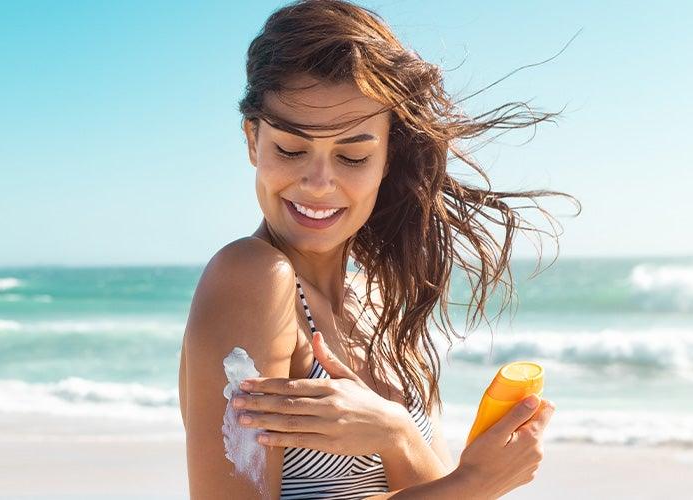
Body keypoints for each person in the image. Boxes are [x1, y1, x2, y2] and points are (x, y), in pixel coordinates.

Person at [179, 1, 575, 498]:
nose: (318, 183)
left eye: (352, 155)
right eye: (291, 149)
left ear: (388, 156)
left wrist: (399, 436)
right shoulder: (252, 277)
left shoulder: (377, 296)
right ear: (252, 141)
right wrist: (474, 482)